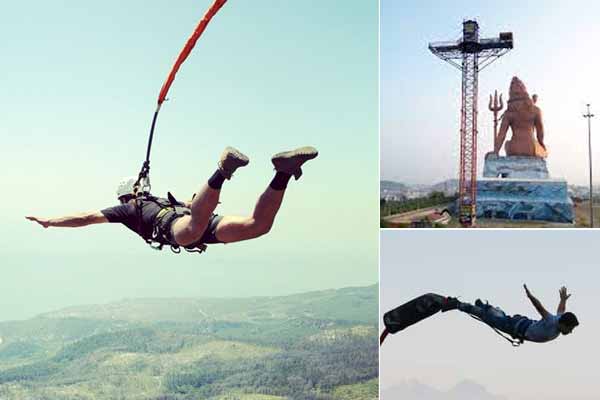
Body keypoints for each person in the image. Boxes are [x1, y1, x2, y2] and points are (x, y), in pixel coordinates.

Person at [26, 146, 318, 251]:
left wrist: (51, 222)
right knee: (258, 226)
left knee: (191, 231)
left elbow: (87, 218)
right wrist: (191, 206)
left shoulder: (130, 208)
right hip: (203, 226)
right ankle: (283, 173)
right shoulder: (160, 199)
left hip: (183, 230)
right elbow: (193, 206)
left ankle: (222, 170)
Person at [442, 284, 579, 343]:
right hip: (516, 327)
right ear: (563, 324)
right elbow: (540, 308)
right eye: (570, 328)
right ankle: (457, 304)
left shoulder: (560, 318)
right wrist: (530, 296)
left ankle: (486, 307)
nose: (570, 331)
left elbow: (561, 310)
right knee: (486, 317)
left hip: (521, 323)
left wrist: (562, 300)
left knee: (500, 316)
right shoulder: (552, 322)